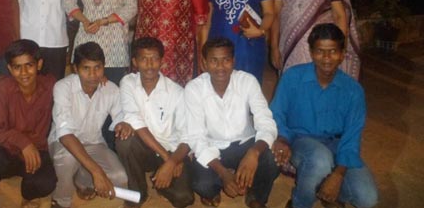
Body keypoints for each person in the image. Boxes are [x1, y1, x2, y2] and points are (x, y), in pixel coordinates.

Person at [270, 23, 378, 208]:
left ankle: (327, 190)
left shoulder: (353, 90)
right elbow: (277, 113)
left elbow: (352, 136)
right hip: (301, 141)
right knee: (320, 160)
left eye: (333, 51)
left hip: (338, 145)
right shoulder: (293, 77)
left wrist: (338, 174)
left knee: (367, 198)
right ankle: (299, 203)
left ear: (342, 54)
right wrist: (282, 138)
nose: (327, 58)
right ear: (311, 53)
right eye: (320, 51)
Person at [184, 37, 279, 208]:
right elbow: (196, 137)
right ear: (204, 64)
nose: (220, 67)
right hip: (213, 147)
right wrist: (223, 174)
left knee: (272, 160)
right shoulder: (194, 89)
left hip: (245, 143)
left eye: (226, 60)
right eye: (214, 61)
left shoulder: (247, 81)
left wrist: (254, 153)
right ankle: (218, 187)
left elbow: (266, 121)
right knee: (201, 183)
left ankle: (256, 196)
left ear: (233, 61)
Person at [48, 41, 132, 208]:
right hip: (63, 144)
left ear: (104, 67)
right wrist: (97, 172)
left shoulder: (111, 89)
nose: (93, 75)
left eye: (97, 68)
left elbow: (120, 117)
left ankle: (82, 180)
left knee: (119, 177)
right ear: (75, 69)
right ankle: (61, 200)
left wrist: (123, 124)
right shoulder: (63, 87)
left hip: (94, 143)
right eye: (86, 68)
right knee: (68, 159)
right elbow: (65, 135)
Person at [0, 39, 57, 208]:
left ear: (39, 64)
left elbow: (75, 84)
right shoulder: (3, 88)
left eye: (29, 65)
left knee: (46, 183)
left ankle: (28, 195)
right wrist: (23, 142)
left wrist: (99, 78)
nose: (23, 73)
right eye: (17, 67)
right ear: (9, 69)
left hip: (36, 152)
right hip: (7, 152)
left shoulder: (50, 85)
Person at [117, 37, 194, 208]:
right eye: (144, 59)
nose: (149, 65)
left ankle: (158, 182)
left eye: (154, 59)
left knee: (184, 198)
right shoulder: (128, 83)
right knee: (125, 141)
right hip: (144, 149)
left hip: (170, 148)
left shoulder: (176, 92)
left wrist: (172, 161)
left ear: (162, 61)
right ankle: (138, 192)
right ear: (135, 62)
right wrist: (168, 159)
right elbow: (134, 119)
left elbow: (187, 136)